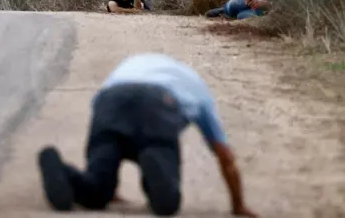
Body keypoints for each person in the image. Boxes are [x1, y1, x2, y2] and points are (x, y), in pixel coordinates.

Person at [37, 53, 258, 217]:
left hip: (110, 100)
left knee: (97, 191)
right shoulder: (196, 85)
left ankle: (61, 168)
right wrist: (238, 205)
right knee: (166, 202)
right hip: (158, 104)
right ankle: (153, 169)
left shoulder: (132, 65)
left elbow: (98, 107)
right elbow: (224, 154)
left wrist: (107, 169)